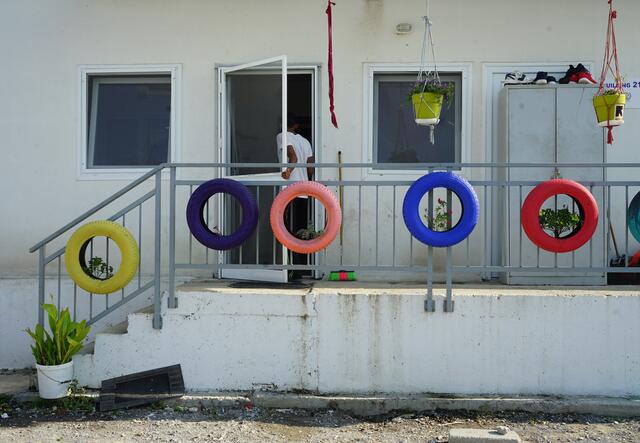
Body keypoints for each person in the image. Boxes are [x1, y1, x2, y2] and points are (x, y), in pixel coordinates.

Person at [276, 114, 315, 277]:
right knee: (300, 229)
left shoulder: (281, 136)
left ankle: (289, 268)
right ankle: (301, 267)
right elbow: (310, 167)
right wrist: (307, 181)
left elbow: (293, 157)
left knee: (285, 229)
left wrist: (289, 171)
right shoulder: (305, 141)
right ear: (296, 126)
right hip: (303, 190)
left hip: (289, 190)